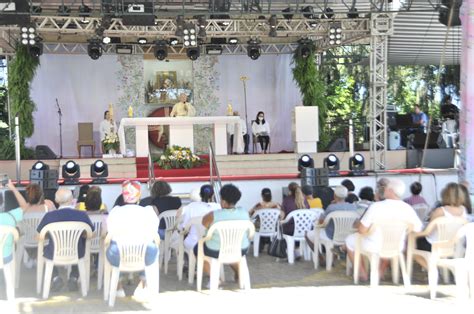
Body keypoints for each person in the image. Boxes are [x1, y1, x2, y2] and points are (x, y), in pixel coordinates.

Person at [344, 179, 422, 282]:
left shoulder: (376, 207)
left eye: (386, 188)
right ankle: (380, 272)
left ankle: (362, 273)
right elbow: (418, 228)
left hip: (373, 245)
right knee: (389, 243)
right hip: (397, 245)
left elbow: (361, 230)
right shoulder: (407, 208)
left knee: (349, 240)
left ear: (390, 190)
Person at [107, 181, 159, 297]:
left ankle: (118, 284)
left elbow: (109, 232)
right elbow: (154, 232)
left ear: (123, 197)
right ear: (139, 196)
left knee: (113, 246)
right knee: (150, 246)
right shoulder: (148, 211)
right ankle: (143, 282)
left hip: (119, 254)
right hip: (144, 252)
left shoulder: (115, 211)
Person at [36, 188, 95, 292]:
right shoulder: (81, 215)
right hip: (77, 253)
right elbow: (91, 234)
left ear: (56, 200)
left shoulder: (49, 216)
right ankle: (74, 278)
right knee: (80, 244)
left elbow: (39, 236)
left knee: (44, 249)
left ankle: (55, 278)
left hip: (54, 252)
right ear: (72, 199)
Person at [197, 184, 250, 282]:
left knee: (198, 249)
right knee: (230, 250)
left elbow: (204, 223)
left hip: (216, 249)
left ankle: (215, 279)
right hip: (241, 248)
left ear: (224, 201)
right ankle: (239, 273)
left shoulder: (214, 215)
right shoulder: (244, 212)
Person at [414, 183, 468, 269]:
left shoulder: (440, 211)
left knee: (413, 247)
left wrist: (414, 234)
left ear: (445, 195)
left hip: (435, 245)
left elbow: (428, 232)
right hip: (454, 245)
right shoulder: (463, 210)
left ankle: (431, 269)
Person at [305, 186, 357, 253]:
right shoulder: (353, 207)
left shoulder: (331, 207)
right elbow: (356, 223)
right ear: (346, 195)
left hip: (331, 236)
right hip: (348, 235)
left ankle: (320, 257)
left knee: (307, 234)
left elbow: (321, 222)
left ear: (334, 195)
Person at [178, 185, 220, 251]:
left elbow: (184, 227)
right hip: (214, 243)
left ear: (200, 195)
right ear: (213, 195)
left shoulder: (191, 206)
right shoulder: (218, 207)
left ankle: (192, 259)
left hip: (194, 243)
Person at [1, 180, 24, 266]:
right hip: (6, 257)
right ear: (2, 203)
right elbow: (24, 206)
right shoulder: (11, 216)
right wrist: (13, 188)